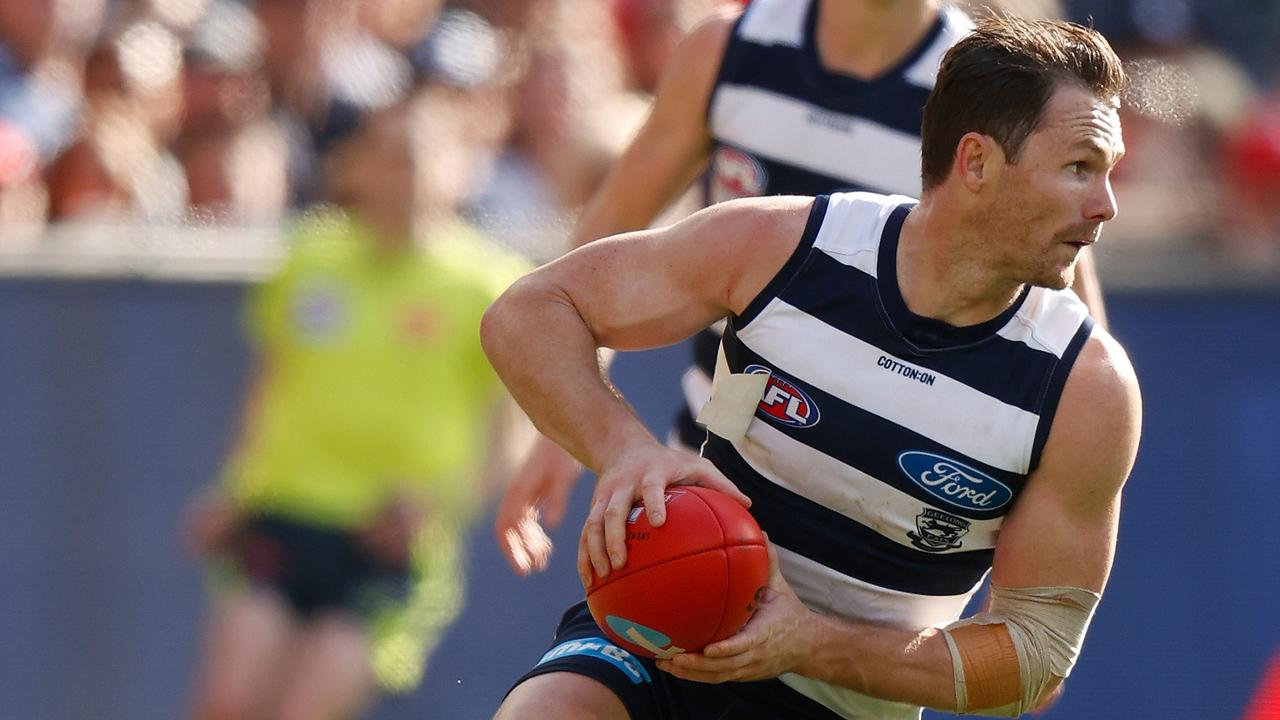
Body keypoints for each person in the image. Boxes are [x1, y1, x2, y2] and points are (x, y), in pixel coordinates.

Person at [482, 13, 1140, 720]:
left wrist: (809, 644)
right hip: (665, 630)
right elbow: (528, 310)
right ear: (975, 161)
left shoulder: (1086, 387)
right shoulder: (782, 242)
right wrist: (622, 450)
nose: (1105, 207)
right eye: (1080, 169)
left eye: (1106, 172)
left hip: (846, 702)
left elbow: (1036, 664)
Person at [182, 96, 531, 720]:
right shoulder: (311, 257)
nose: (403, 176)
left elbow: (512, 435)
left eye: (418, 160)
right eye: (389, 158)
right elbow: (270, 385)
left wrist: (438, 505)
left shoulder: (488, 283)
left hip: (387, 543)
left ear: (458, 170)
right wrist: (233, 489)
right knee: (226, 704)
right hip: (283, 514)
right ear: (360, 167)